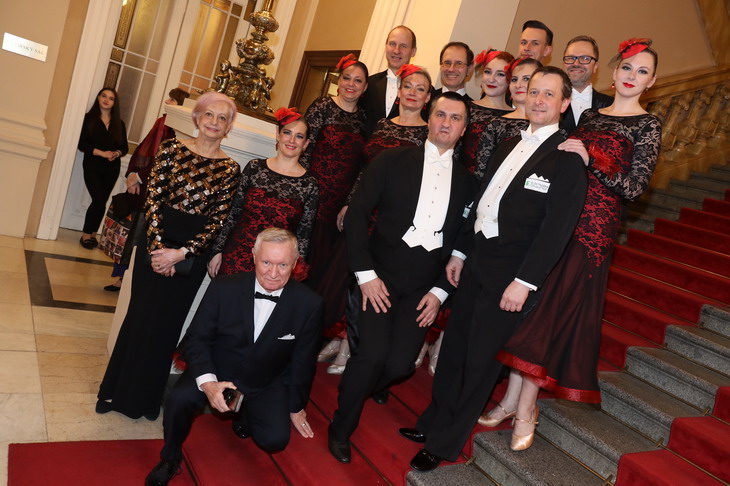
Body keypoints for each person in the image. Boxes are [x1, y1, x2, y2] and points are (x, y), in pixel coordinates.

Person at [399, 67, 588, 472]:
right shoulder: (507, 143)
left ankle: (446, 443)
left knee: (480, 362)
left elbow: (557, 232)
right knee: (454, 350)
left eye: (549, 94)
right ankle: (433, 421)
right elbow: (482, 205)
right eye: (534, 91)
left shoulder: (568, 159)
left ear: (564, 103)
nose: (538, 100)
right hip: (476, 262)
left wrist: (525, 282)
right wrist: (459, 254)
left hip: (512, 276)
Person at [486, 39, 661, 451]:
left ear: (651, 81)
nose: (631, 76)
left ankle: (526, 408)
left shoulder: (648, 125)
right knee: (532, 309)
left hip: (593, 231)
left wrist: (592, 161)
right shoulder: (590, 115)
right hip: (557, 220)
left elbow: (634, 188)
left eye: (642, 71)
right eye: (627, 67)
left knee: (547, 315)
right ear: (613, 72)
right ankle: (511, 399)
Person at [327, 92, 477, 464]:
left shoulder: (469, 183)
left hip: (423, 288)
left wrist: (440, 292)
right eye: (440, 114)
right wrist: (365, 275)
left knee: (399, 366)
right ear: (429, 118)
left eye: (455, 118)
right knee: (371, 356)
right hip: (379, 279)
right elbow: (358, 215)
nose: (446, 123)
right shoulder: (392, 160)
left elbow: (464, 241)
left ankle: (367, 386)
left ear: (464, 128)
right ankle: (340, 427)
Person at [96, 92, 241, 420]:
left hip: (192, 255)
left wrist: (180, 254)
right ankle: (113, 392)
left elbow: (217, 221)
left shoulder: (231, 169)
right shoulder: (171, 149)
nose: (214, 122)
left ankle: (146, 401)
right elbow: (153, 202)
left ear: (228, 127)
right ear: (197, 117)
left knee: (166, 328)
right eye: (209, 115)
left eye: (222, 118)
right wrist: (160, 250)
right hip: (155, 244)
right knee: (138, 319)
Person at [145, 228, 323, 486]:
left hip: (265, 379)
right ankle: (170, 458)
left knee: (274, 440)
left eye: (283, 264)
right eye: (267, 262)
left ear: (295, 263)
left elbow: (303, 361)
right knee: (179, 399)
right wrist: (208, 384)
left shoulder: (310, 304)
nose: (273, 273)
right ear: (253, 256)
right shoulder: (223, 287)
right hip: (217, 369)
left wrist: (296, 406)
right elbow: (197, 339)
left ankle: (245, 415)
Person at [318, 64, 432, 375]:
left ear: (427, 98)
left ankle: (351, 349)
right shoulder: (381, 125)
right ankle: (340, 340)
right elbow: (364, 170)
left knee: (372, 284)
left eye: (420, 89)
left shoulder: (428, 134)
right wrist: (350, 203)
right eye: (408, 86)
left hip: (392, 220)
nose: (412, 93)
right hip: (364, 211)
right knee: (347, 280)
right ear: (399, 91)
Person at [208, 107, 318, 278]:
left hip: (273, 268)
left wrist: (293, 272)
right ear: (278, 135)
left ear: (306, 144)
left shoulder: (310, 185)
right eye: (287, 133)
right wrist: (217, 251)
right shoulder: (254, 167)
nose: (292, 140)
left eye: (299, 136)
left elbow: (303, 236)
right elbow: (233, 213)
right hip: (235, 256)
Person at [105, 88, 190, 291]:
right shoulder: (160, 123)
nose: (167, 101)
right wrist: (131, 176)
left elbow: (163, 162)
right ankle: (121, 278)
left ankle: (127, 281)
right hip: (137, 192)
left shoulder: (176, 132)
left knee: (137, 239)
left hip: (151, 195)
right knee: (128, 236)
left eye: (172, 99)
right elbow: (140, 153)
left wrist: (139, 177)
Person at [300, 53, 368, 287]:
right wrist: (305, 190)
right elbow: (305, 149)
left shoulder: (364, 119)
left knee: (321, 265)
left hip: (339, 203)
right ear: (339, 81)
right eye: (347, 78)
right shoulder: (322, 106)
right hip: (313, 194)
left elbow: (363, 164)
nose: (351, 84)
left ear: (365, 87)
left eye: (358, 80)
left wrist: (350, 202)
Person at [78, 87, 128, 249]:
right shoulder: (88, 119)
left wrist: (116, 153)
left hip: (112, 168)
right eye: (104, 96)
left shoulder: (119, 123)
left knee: (102, 202)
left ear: (114, 103)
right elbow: (82, 145)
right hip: (92, 165)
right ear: (98, 98)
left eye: (111, 98)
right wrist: (102, 153)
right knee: (98, 200)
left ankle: (93, 234)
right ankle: (86, 235)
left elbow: (124, 148)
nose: (106, 100)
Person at [460, 49, 515, 178]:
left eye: (500, 74)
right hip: (460, 180)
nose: (491, 79)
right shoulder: (464, 108)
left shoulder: (517, 118)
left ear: (510, 79)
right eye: (488, 72)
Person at [360, 25, 418, 135]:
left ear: (413, 51)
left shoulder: (422, 92)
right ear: (386, 47)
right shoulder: (368, 83)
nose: (396, 50)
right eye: (392, 44)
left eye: (403, 46)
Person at [560, 35, 614, 133]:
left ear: (595, 66)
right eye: (571, 58)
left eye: (585, 58)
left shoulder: (611, 105)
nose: (576, 63)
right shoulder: (549, 101)